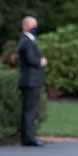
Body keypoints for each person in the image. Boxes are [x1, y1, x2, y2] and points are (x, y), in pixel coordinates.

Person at [17, 16, 47, 147]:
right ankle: (29, 138)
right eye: (32, 25)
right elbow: (31, 59)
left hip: (29, 80)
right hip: (31, 81)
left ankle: (27, 137)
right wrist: (41, 61)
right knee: (31, 110)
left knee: (28, 110)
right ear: (25, 26)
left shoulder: (26, 41)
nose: (35, 28)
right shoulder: (27, 42)